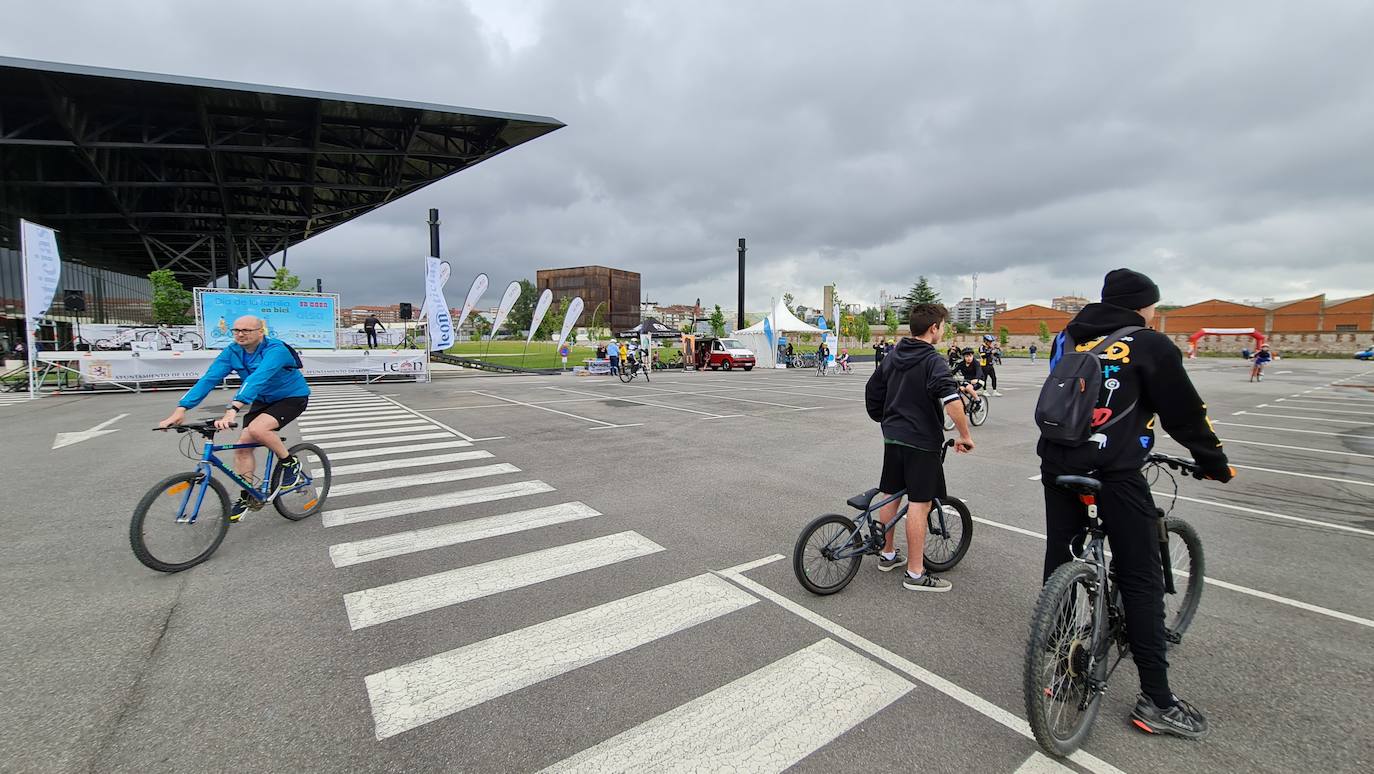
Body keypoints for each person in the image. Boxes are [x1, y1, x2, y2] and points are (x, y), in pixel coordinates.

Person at [1040, 268, 1232, 740]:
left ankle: (1061, 668)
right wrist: (1214, 461)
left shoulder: (1070, 338)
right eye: (1153, 306)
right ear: (1142, 306)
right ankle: (1157, 702)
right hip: (1115, 471)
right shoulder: (1149, 344)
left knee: (1061, 553)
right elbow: (1185, 412)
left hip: (1058, 461)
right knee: (1141, 578)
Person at [864, 303, 975, 592]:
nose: (944, 330)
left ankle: (887, 554)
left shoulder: (894, 354)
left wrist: (884, 417)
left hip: (893, 436)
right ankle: (915, 573)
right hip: (921, 440)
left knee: (890, 491)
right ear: (934, 328)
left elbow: (873, 390)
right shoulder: (932, 360)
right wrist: (965, 435)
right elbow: (952, 403)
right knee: (920, 502)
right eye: (943, 326)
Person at [158, 316, 311, 523]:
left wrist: (233, 408)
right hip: (262, 399)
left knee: (258, 429)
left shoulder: (276, 350)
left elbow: (258, 378)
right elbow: (209, 379)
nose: (240, 334)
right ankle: (248, 496)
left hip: (291, 397)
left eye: (246, 330)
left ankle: (290, 462)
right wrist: (181, 409)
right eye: (236, 330)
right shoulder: (233, 351)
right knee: (242, 446)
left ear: (260, 332)